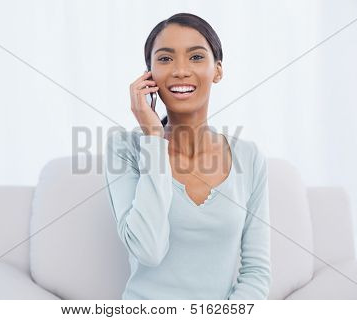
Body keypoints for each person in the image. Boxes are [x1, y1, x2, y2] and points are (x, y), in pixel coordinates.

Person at [104, 12, 271, 300]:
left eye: (195, 57)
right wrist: (153, 138)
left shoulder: (249, 157)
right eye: (166, 59)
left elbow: (257, 273)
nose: (181, 70)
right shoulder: (124, 148)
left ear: (217, 70)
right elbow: (149, 251)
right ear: (149, 77)